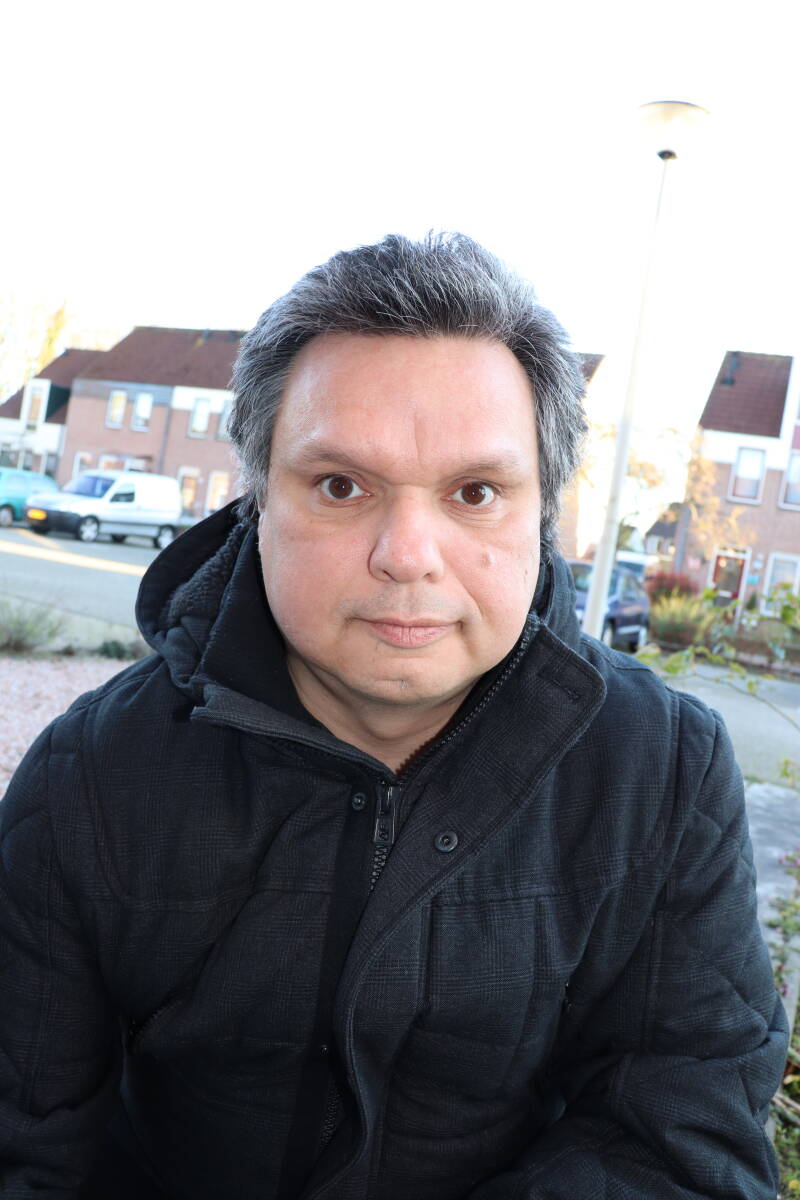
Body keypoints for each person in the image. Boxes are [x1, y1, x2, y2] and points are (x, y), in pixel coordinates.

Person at [0, 233, 788, 1199]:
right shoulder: (92, 773)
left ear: (541, 517)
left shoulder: (660, 771)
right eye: (341, 486)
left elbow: (683, 1140)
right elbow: (25, 1141)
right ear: (258, 502)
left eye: (475, 492)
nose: (407, 554)